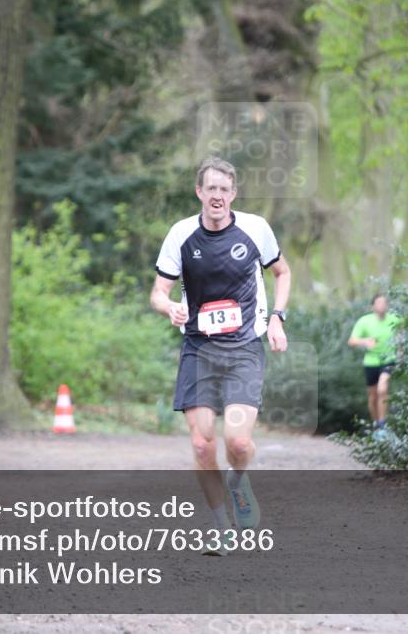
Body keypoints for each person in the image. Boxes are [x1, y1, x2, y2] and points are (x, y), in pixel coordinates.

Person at [150, 156, 290, 556]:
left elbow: (283, 272)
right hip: (198, 348)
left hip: (245, 347)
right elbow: (158, 291)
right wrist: (168, 308)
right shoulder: (180, 235)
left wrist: (277, 317)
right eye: (210, 188)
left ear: (234, 193)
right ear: (199, 192)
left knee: (239, 443)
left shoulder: (255, 229)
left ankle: (238, 482)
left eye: (224, 189)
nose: (217, 196)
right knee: (201, 445)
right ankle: (220, 527)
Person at [348, 294, 402, 429]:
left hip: (389, 359)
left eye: (384, 303)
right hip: (371, 361)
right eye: (378, 303)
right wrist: (365, 341)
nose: (382, 305)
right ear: (372, 307)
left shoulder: (395, 320)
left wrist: (401, 353)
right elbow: (352, 341)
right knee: (372, 398)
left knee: (382, 389)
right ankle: (376, 425)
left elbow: (402, 338)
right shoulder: (364, 321)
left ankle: (383, 425)